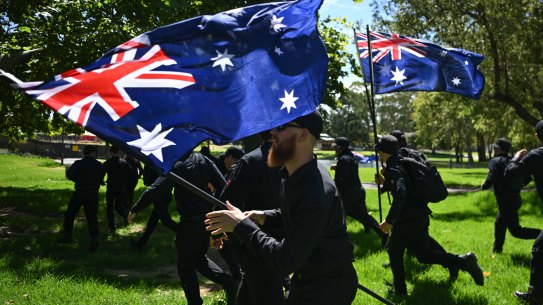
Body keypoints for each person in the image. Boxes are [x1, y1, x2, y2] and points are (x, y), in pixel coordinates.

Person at [206, 111, 358, 305]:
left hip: (325, 289)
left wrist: (241, 225)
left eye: (281, 127)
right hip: (308, 280)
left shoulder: (315, 191)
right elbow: (296, 216)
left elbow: (285, 261)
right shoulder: (294, 172)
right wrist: (265, 216)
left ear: (303, 134)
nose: (272, 132)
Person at [375, 135, 484, 296]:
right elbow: (407, 187)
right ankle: (463, 261)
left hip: (407, 218)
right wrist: (384, 183)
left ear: (382, 152)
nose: (378, 154)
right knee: (423, 255)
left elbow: (401, 193)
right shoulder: (402, 160)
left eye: (379, 151)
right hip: (420, 215)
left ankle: (400, 291)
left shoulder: (393, 166)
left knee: (394, 251)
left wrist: (389, 221)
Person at [130, 150, 237, 305]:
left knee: (185, 267)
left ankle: (196, 302)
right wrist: (216, 210)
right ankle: (229, 283)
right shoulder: (203, 160)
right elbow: (223, 187)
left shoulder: (176, 165)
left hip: (190, 223)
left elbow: (156, 189)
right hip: (207, 220)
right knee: (199, 259)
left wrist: (135, 208)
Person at [219, 130, 287, 305]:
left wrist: (216, 232)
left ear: (259, 134)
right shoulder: (291, 159)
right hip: (285, 238)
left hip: (258, 241)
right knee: (249, 292)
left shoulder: (251, 161)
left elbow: (227, 202)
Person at [506, 120, 543, 305]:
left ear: (537, 136)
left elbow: (510, 173)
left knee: (539, 249)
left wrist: (516, 157)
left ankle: (535, 295)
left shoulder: (537, 156)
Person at [481, 138, 540, 254]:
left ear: (499, 149)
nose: (494, 150)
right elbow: (528, 178)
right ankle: (497, 250)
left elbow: (490, 179)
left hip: (504, 202)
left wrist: (484, 185)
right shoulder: (514, 161)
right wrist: (518, 186)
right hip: (515, 200)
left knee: (516, 231)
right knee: (499, 223)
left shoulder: (495, 162)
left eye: (495, 148)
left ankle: (541, 235)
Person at [331, 137, 388, 246]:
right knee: (360, 214)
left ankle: (340, 240)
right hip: (358, 190)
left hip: (349, 193)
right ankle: (379, 232)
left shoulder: (343, 159)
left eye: (336, 147)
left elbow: (342, 179)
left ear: (340, 147)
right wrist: (338, 168)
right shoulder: (351, 157)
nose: (334, 149)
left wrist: (332, 187)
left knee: (338, 214)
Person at [58, 145, 105, 253]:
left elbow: (70, 174)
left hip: (80, 192)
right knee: (92, 217)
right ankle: (94, 239)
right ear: (93, 153)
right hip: (93, 194)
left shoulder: (78, 163)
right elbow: (101, 177)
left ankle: (67, 236)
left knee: (70, 214)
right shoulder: (99, 165)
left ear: (85, 153)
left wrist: (78, 180)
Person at [128, 164, 177, 250]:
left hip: (160, 196)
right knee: (152, 222)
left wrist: (135, 209)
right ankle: (140, 244)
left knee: (165, 221)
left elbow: (152, 185)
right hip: (163, 195)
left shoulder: (156, 163)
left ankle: (189, 235)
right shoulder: (159, 162)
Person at [103, 146, 132, 234]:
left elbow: (101, 173)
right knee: (119, 206)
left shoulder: (108, 162)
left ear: (111, 152)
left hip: (111, 187)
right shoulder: (125, 162)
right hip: (122, 187)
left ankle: (112, 225)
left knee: (109, 207)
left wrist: (101, 181)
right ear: (118, 152)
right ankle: (125, 216)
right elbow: (131, 174)